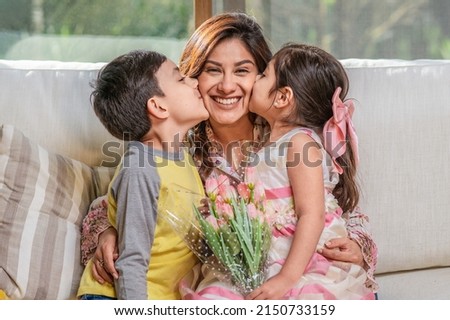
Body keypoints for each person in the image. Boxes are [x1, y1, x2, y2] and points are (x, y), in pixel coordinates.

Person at [81, 12, 378, 295]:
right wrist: (109, 231)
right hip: (233, 286)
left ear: (265, 78)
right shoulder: (178, 147)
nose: (226, 86)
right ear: (194, 77)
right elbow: (114, 200)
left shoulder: (289, 138)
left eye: (242, 70)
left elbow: (333, 210)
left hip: (302, 276)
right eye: (212, 70)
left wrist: (358, 248)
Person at [244, 42, 375, 299]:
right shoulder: (267, 144)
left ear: (282, 97)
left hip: (307, 260)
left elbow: (311, 213)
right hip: (278, 253)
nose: (254, 81)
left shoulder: (300, 143)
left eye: (262, 75)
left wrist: (287, 278)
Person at [77, 49, 209, 299]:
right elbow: (132, 261)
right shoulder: (140, 168)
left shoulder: (183, 157)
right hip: (117, 298)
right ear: (158, 106)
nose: (194, 81)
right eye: (181, 79)